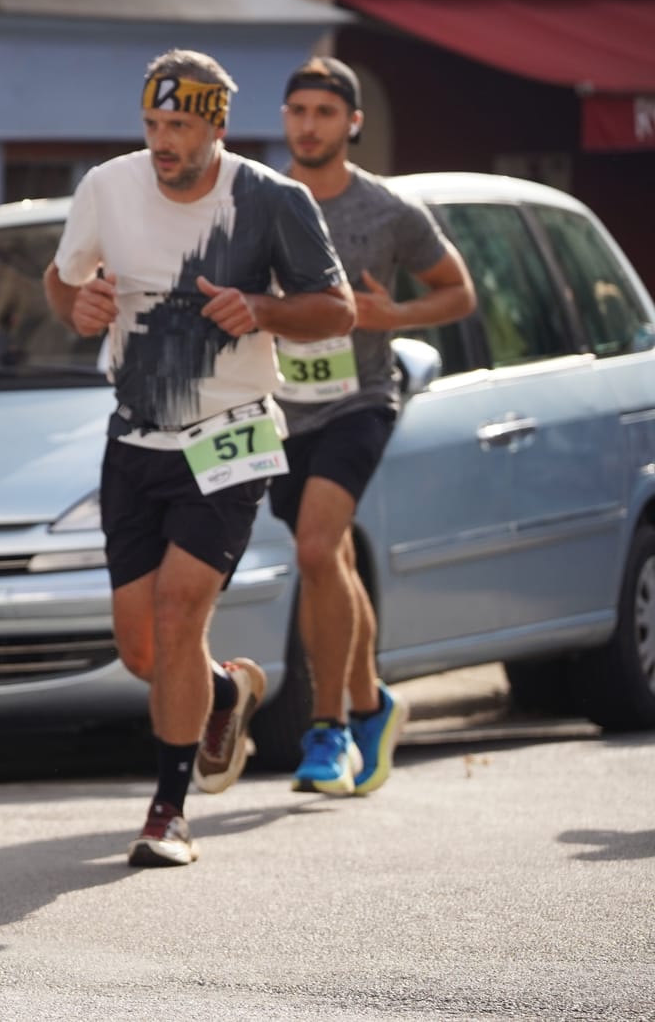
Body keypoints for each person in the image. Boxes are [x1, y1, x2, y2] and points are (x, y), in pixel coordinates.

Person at [44, 49, 353, 868]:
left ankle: (168, 812)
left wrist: (262, 309)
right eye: (152, 123)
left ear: (217, 124)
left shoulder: (271, 199)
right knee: (143, 649)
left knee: (181, 614)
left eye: (179, 124)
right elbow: (61, 281)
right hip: (135, 436)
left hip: (231, 434)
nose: (162, 141)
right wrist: (79, 306)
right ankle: (224, 688)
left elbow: (338, 310)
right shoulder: (109, 186)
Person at [273, 57, 474, 796]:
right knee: (331, 561)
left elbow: (458, 292)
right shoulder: (262, 200)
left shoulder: (389, 210)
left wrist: (397, 315)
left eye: (325, 112)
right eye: (298, 111)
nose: (309, 125)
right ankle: (371, 704)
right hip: (278, 409)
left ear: (352, 122)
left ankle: (327, 730)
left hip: (358, 401)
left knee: (316, 547)